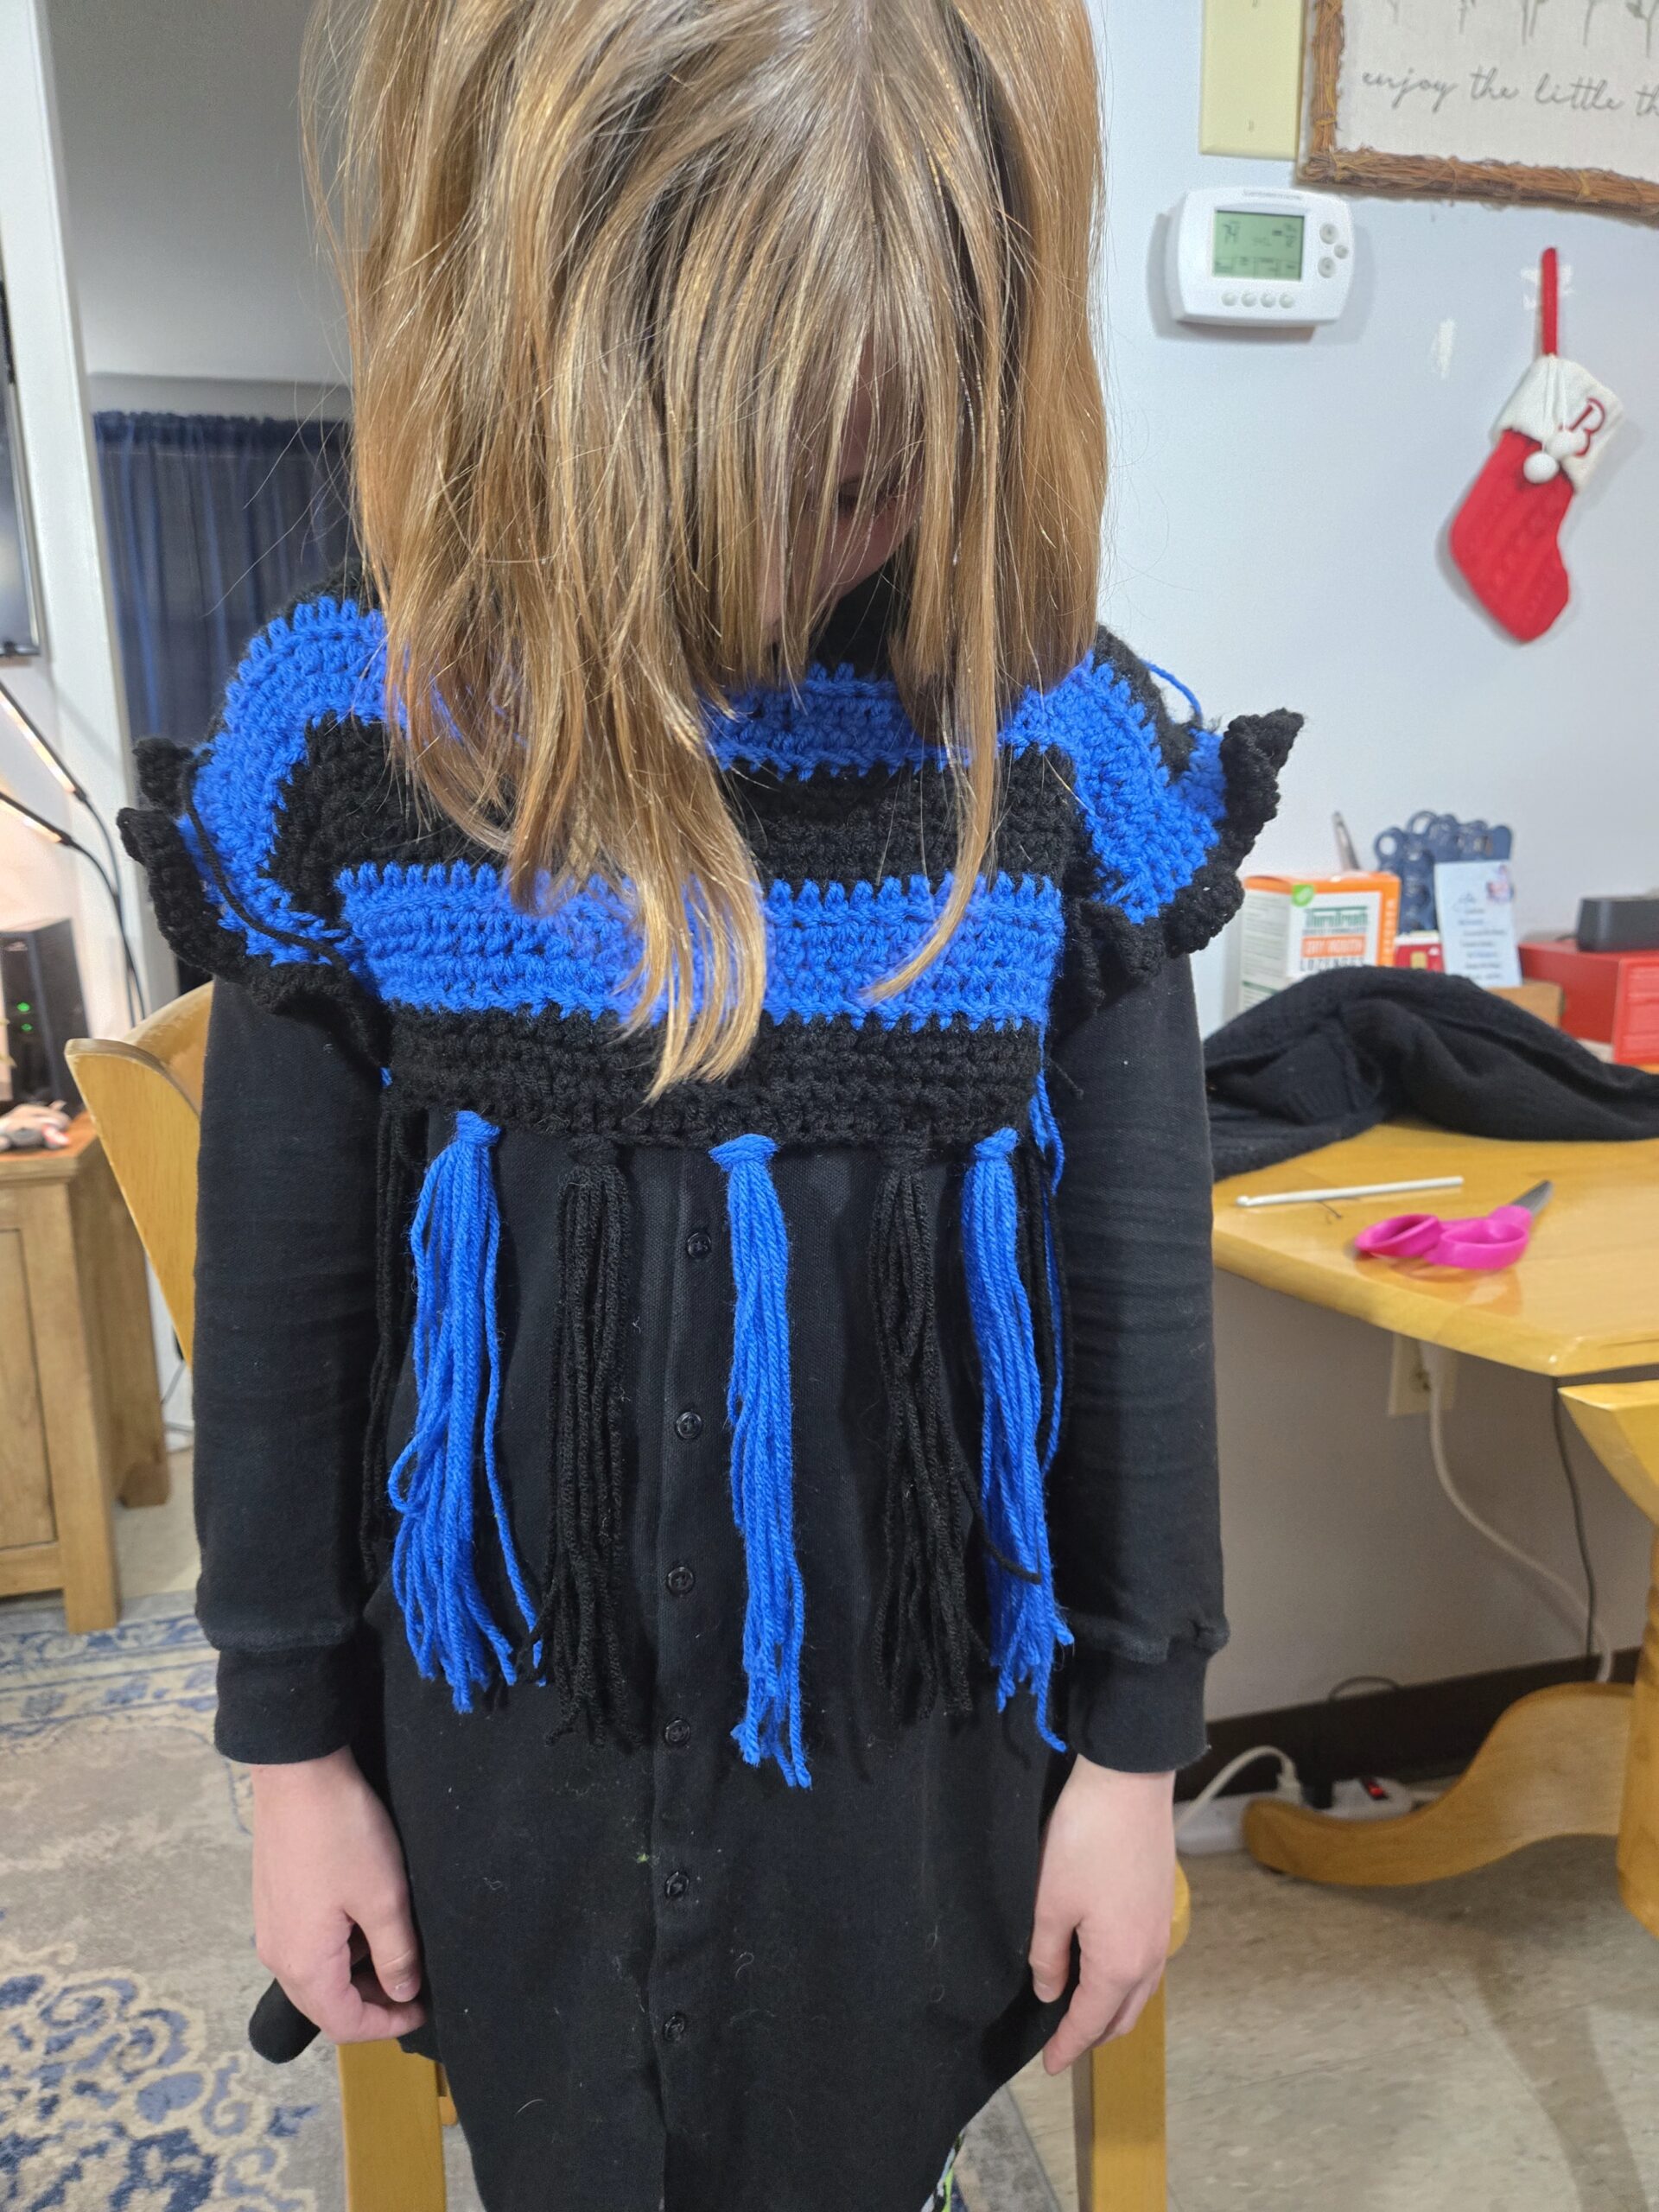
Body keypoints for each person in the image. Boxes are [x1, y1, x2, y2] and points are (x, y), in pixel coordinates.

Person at [119, 3, 1298, 2207]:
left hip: (909, 1762)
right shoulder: (350, 727)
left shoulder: (1061, 747)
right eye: (695, 480)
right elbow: (282, 1315)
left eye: (859, 480)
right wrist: (290, 1758)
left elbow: (1139, 1298)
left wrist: (1139, 1755)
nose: (776, 570)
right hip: (503, 1762)